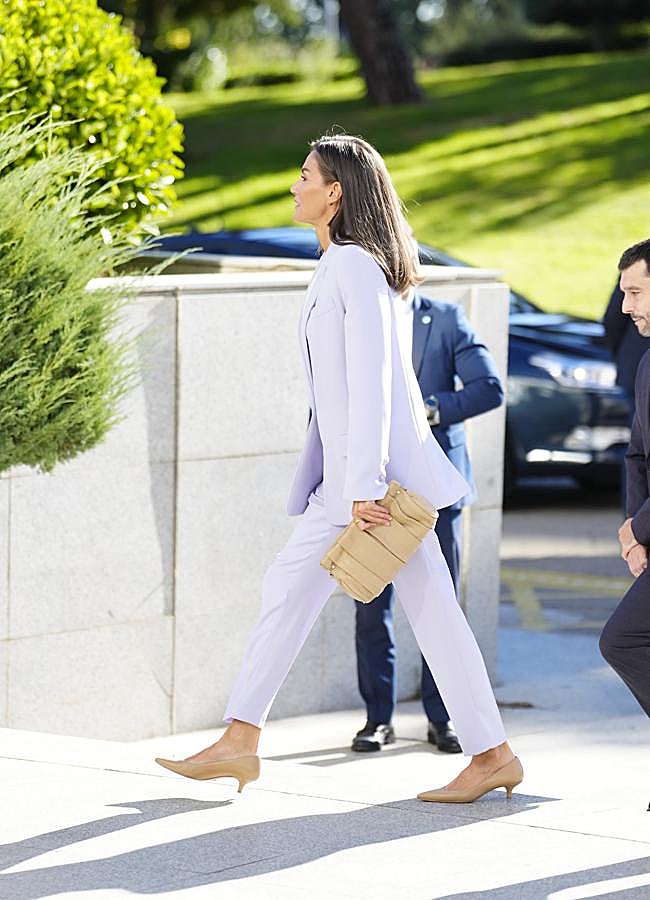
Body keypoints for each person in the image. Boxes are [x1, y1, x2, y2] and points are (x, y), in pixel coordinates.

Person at [155, 133, 522, 804]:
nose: (294, 187)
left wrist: (360, 489)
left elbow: (374, 383)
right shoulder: (337, 264)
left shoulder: (354, 266)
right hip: (362, 484)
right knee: (380, 606)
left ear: (335, 193)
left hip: (371, 488)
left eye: (304, 176)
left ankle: (243, 740)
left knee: (311, 597)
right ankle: (488, 753)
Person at [352, 296, 504, 753]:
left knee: (440, 605)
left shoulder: (445, 318)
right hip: (377, 488)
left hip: (435, 489)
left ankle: (444, 717)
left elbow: (489, 387)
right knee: (370, 605)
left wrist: (426, 410)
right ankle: (377, 719)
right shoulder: (358, 316)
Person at [600, 239, 650, 736]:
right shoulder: (647, 363)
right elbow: (637, 454)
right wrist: (636, 533)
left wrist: (639, 526)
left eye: (635, 293)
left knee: (624, 639)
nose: (624, 306)